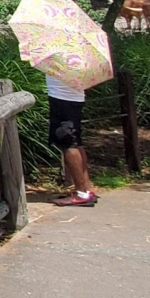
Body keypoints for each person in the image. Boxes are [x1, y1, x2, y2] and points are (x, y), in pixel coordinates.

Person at [47, 72, 96, 207]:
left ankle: (81, 193)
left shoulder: (60, 53)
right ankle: (86, 189)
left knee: (68, 144)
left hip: (62, 99)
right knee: (76, 142)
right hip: (75, 97)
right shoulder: (78, 56)